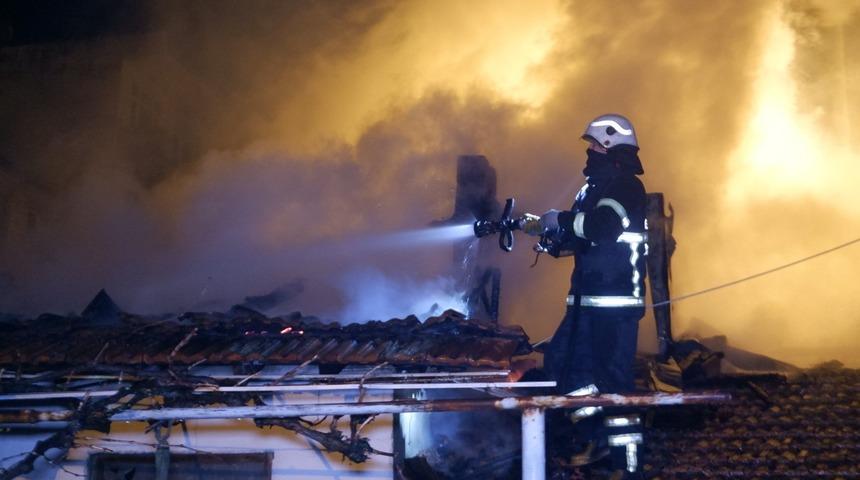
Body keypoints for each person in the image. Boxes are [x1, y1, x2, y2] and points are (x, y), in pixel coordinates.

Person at [524, 113, 647, 476]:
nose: (589, 151)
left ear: (610, 147)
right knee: (563, 368)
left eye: (594, 144)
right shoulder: (592, 189)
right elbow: (580, 237)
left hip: (616, 305)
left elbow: (602, 227)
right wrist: (548, 237)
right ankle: (595, 438)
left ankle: (628, 465)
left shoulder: (625, 187)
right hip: (584, 303)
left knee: (615, 384)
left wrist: (559, 219)